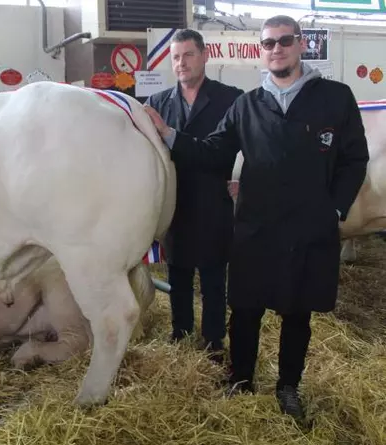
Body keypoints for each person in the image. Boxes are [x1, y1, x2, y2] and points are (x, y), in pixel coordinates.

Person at [144, 15, 369, 422]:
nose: (276, 49)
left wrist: (335, 208)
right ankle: (241, 379)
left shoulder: (335, 97)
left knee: (296, 313)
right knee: (245, 310)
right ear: (261, 51)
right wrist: (169, 134)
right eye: (268, 43)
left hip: (307, 229)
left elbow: (355, 159)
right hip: (255, 227)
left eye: (285, 41)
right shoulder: (247, 105)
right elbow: (213, 153)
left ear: (301, 45)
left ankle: (288, 387)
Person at [145, 29, 243, 359]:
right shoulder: (157, 104)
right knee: (179, 276)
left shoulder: (231, 99)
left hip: (214, 203)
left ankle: (214, 342)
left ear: (204, 56)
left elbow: (232, 151)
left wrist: (244, 180)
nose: (181, 63)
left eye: (188, 55)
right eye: (175, 57)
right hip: (175, 205)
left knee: (215, 279)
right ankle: (181, 335)